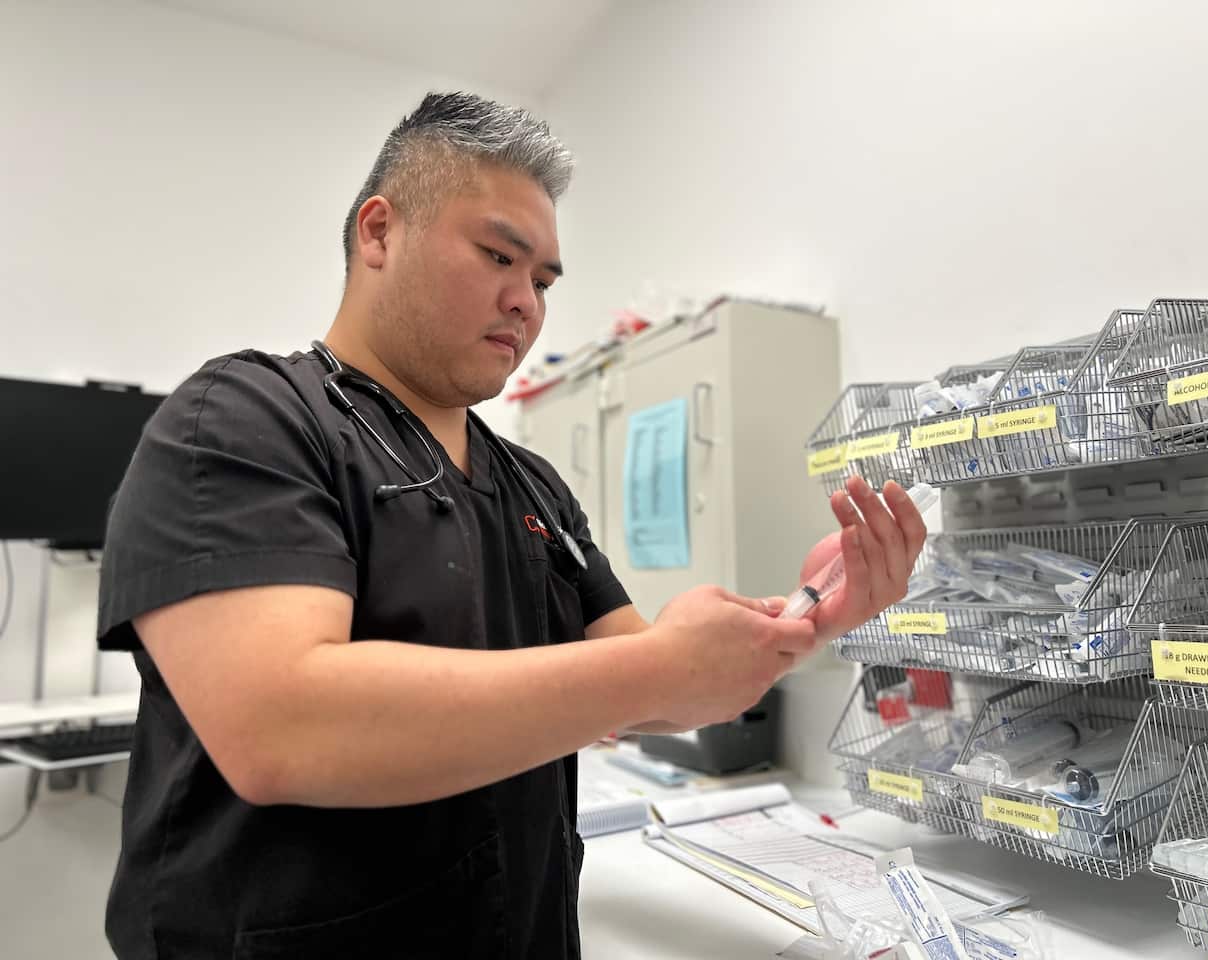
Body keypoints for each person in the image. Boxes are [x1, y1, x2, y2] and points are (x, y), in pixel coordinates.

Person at [96, 91, 925, 959]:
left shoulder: (531, 486)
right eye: (500, 256)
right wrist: (655, 669)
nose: (526, 302)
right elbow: (281, 727)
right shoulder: (246, 417)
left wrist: (807, 615)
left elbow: (653, 682)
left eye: (543, 281)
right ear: (379, 233)